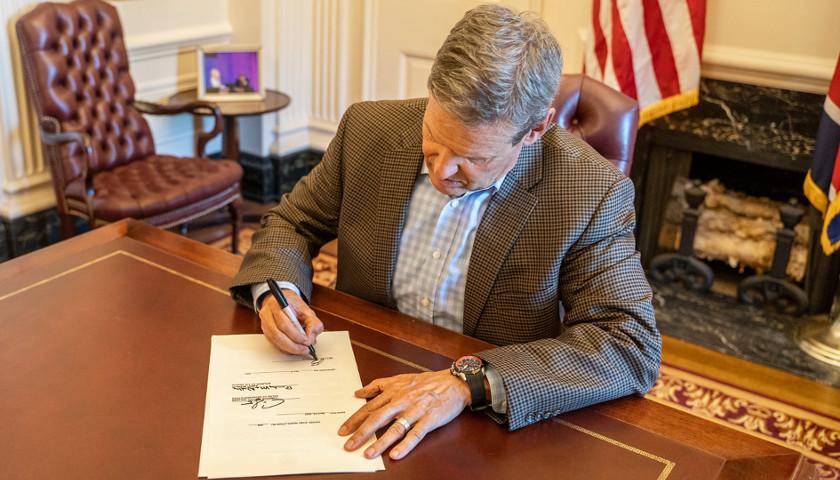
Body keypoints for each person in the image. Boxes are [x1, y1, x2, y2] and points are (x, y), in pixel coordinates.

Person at [230, 3, 660, 461]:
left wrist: (467, 382)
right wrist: (275, 292)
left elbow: (627, 340)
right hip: (358, 378)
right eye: (434, 139)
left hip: (486, 419)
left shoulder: (589, 191)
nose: (442, 171)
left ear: (535, 129)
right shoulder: (367, 130)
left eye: (472, 157)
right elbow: (293, 222)